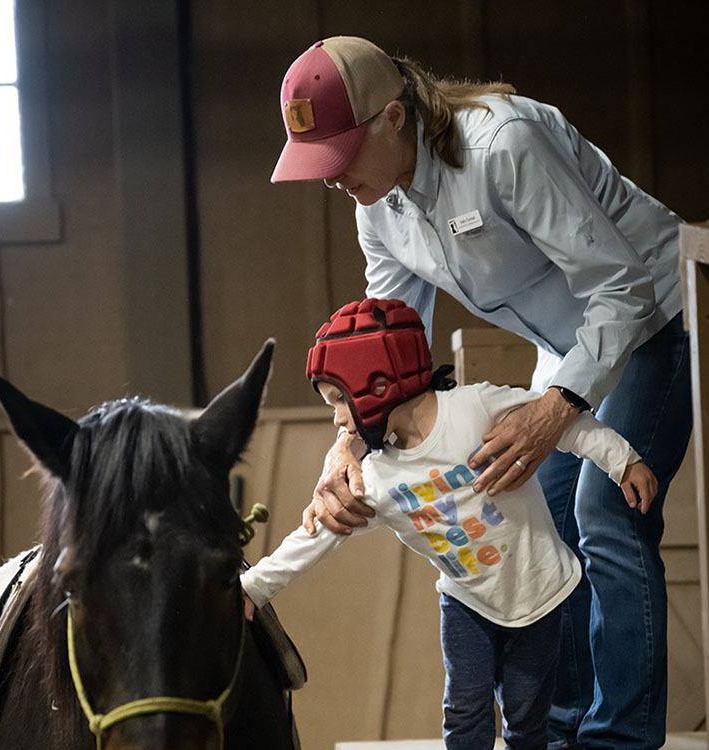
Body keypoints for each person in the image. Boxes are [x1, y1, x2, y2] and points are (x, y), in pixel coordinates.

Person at [270, 36, 692, 749]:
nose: (331, 179)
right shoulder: (377, 206)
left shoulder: (504, 146)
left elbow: (622, 288)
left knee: (604, 512)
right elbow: (387, 344)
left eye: (341, 156)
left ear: (395, 119)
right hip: (570, 346)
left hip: (659, 314)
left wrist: (556, 408)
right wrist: (346, 445)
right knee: (539, 514)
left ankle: (619, 740)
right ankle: (562, 733)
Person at [241, 298, 658, 750]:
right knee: (463, 712)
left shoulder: (476, 408)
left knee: (525, 716)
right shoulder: (376, 477)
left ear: (377, 384)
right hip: (466, 605)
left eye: (340, 401)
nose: (339, 421)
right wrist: (253, 588)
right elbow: (316, 536)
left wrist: (624, 462)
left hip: (539, 593)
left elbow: (567, 426)